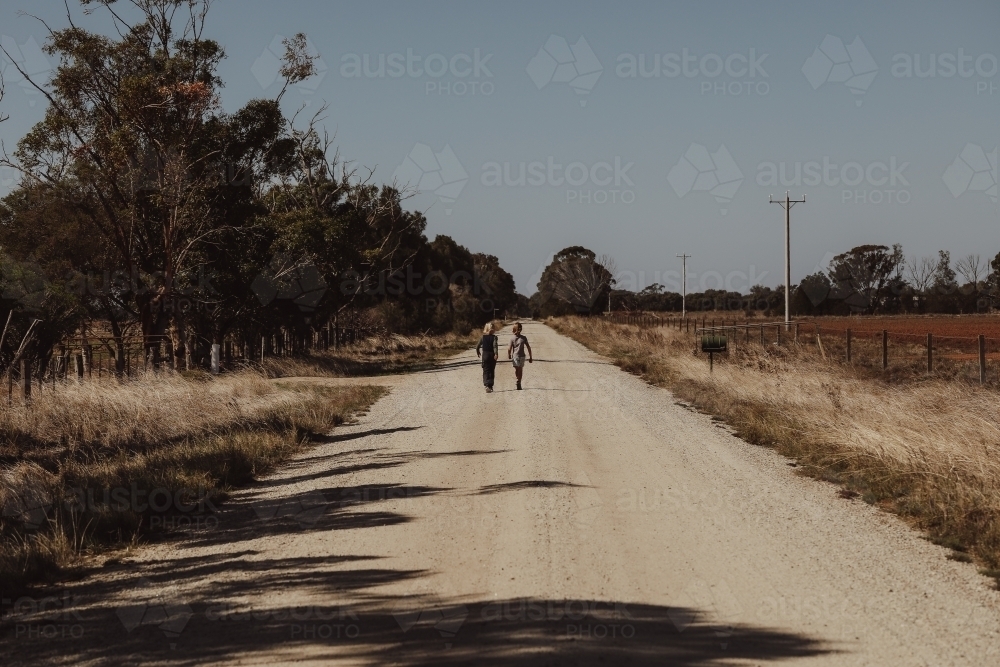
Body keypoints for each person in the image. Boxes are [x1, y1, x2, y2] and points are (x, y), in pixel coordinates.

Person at [507, 322, 532, 390]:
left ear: (519, 330)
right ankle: (518, 379)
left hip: (521, 356)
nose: (514, 331)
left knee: (520, 369)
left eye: (516, 330)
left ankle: (519, 382)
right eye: (514, 330)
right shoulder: (512, 338)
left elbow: (528, 347)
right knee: (517, 369)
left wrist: (530, 357)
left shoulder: (523, 338)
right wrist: (509, 354)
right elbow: (509, 348)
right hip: (515, 356)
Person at [476, 322, 499, 392]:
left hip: (485, 355)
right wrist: (496, 354)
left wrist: (478, 351)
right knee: (491, 370)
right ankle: (490, 385)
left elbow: (478, 345)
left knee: (486, 370)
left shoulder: (483, 337)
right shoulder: (494, 337)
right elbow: (495, 346)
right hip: (492, 355)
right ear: (493, 330)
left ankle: (486, 385)